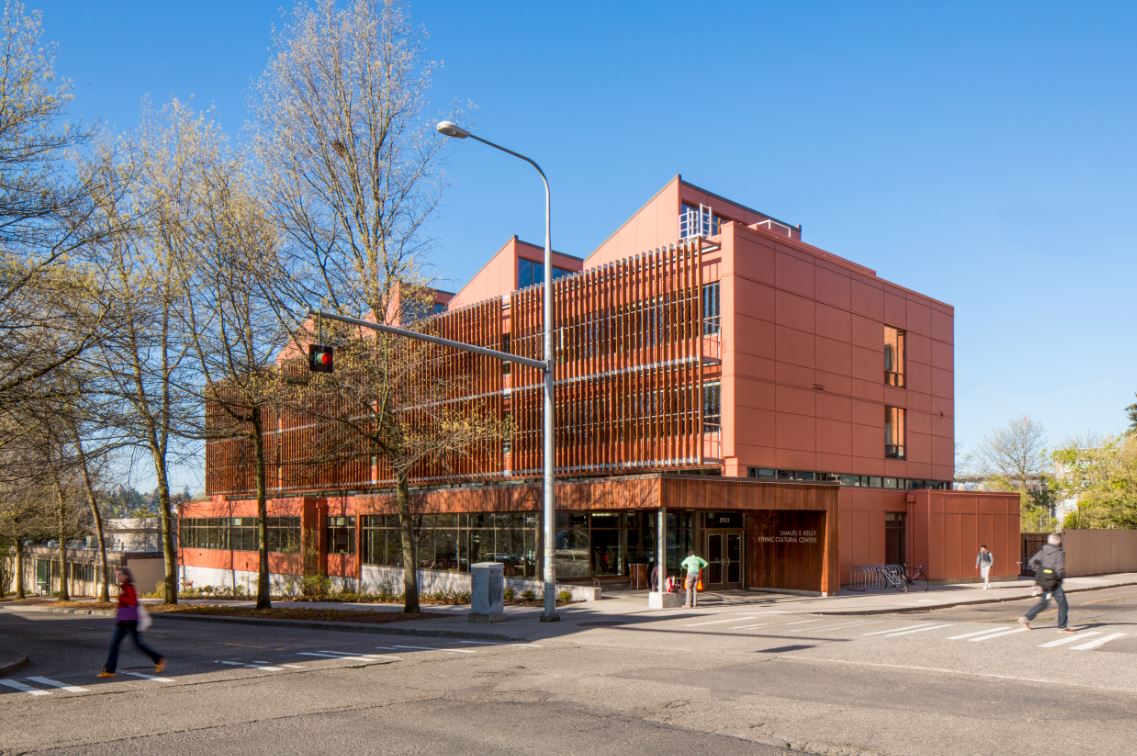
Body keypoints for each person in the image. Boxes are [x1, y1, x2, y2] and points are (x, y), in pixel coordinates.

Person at [98, 567, 166, 678]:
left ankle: (159, 659)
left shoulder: (129, 588)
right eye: (116, 575)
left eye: (119, 575)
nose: (117, 577)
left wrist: (122, 598)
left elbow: (132, 602)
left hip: (130, 621)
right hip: (123, 621)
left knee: (135, 644)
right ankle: (110, 670)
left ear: (126, 576)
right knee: (116, 645)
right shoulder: (124, 587)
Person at [1018, 533, 1075, 633]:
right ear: (1058, 541)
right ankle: (1062, 627)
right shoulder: (1059, 553)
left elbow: (1031, 562)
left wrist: (1040, 571)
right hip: (1054, 582)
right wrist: (1059, 578)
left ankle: (1026, 618)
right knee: (1063, 604)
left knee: (1044, 603)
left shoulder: (1043, 551)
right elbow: (1059, 569)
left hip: (1044, 582)